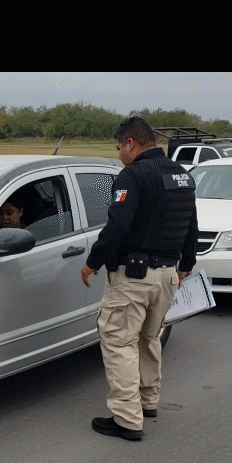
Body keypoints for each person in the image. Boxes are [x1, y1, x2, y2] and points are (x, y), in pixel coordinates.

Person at [80, 117, 199, 441]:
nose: (119, 155)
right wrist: (186, 264)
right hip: (167, 276)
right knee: (149, 338)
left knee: (119, 342)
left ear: (131, 142)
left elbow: (118, 225)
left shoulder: (132, 175)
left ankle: (127, 419)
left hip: (133, 277)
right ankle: (147, 402)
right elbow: (191, 226)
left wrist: (92, 262)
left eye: (119, 148)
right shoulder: (181, 175)